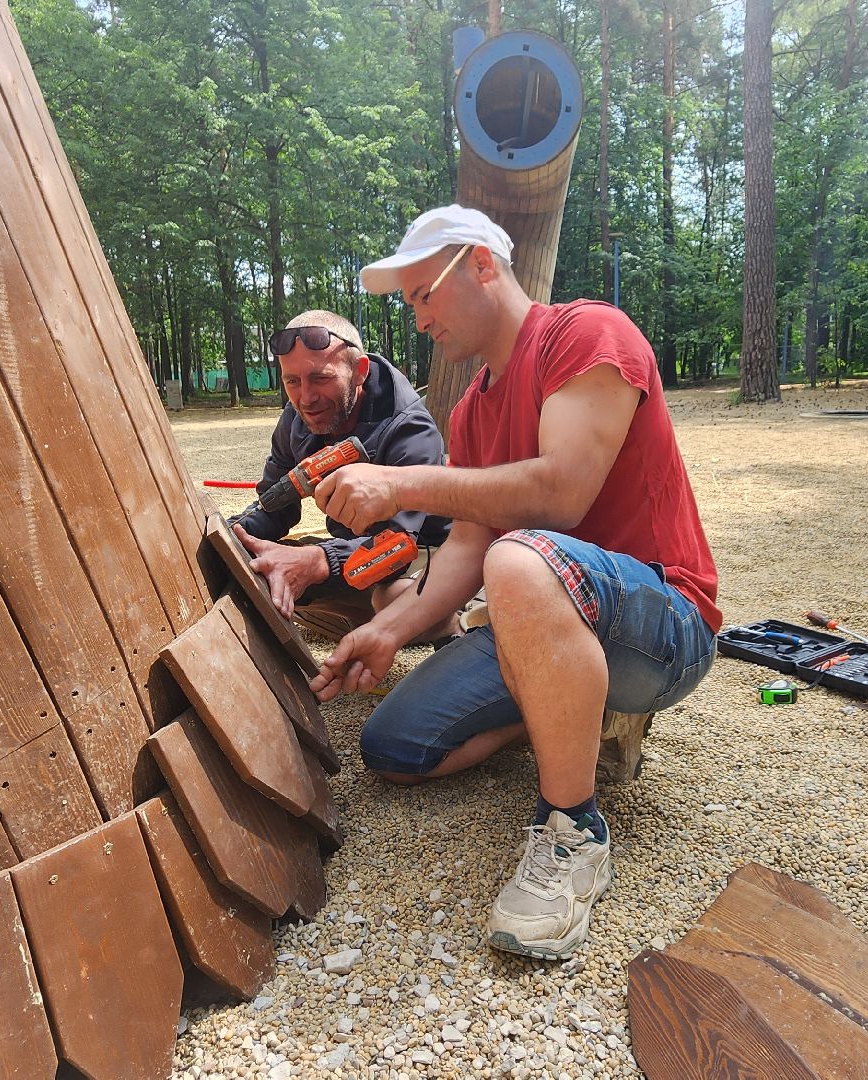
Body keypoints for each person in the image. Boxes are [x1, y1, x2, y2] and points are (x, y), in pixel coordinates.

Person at [307, 206, 720, 959]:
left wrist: (403, 485)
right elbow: (464, 547)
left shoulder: (587, 334)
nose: (418, 316)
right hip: (540, 611)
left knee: (521, 559)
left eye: (423, 292)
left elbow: (560, 493)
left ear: (482, 265)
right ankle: (563, 702)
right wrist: (386, 632)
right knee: (395, 749)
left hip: (662, 626)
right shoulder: (471, 412)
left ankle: (573, 832)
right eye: (407, 303)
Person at [230, 310, 451, 635]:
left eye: (321, 378)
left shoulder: (410, 431)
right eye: (293, 381)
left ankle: (438, 620)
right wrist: (232, 536)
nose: (306, 397)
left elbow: (396, 549)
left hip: (419, 558)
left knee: (388, 597)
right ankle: (347, 612)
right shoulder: (296, 417)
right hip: (350, 549)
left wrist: (318, 562)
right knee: (255, 566)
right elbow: (273, 509)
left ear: (359, 371)